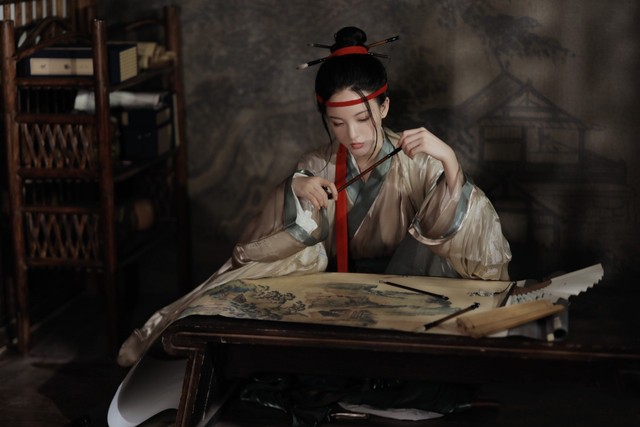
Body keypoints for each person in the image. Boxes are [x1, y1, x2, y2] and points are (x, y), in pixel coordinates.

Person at [109, 25, 511, 427]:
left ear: (384, 107)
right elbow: (254, 251)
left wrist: (450, 163)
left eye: (362, 118)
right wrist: (293, 190)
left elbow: (463, 240)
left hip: (408, 293)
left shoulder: (419, 162)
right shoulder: (316, 165)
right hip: (334, 298)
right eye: (337, 123)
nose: (352, 134)